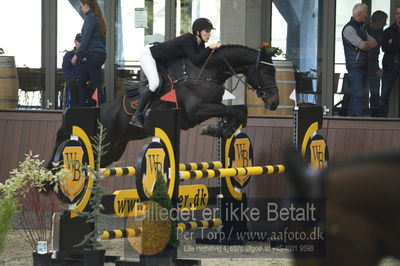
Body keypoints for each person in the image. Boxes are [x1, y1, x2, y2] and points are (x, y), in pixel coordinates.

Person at [129, 18, 222, 128]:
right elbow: (195, 59)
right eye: (207, 31)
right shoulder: (188, 40)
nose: (209, 34)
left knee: (169, 83)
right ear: (197, 32)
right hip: (149, 55)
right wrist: (210, 48)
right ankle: (137, 115)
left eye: (210, 31)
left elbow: (201, 62)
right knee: (154, 83)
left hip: (161, 61)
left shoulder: (200, 44)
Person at [342, 3, 377, 117]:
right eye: (366, 13)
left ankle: (351, 118)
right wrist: (364, 44)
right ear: (360, 14)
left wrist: (363, 44)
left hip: (362, 66)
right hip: (355, 67)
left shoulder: (361, 27)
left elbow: (374, 42)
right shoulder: (349, 28)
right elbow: (363, 46)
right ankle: (359, 120)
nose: (367, 15)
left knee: (355, 95)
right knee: (358, 95)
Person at [71, 0, 106, 106]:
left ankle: (102, 110)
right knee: (82, 81)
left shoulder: (90, 18)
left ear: (87, 5)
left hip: (93, 55)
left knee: (96, 84)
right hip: (98, 55)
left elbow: (86, 39)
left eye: (81, 6)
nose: (81, 8)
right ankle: (84, 107)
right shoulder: (97, 18)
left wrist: (76, 55)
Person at [365, 11, 388, 117]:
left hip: (375, 64)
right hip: (364, 64)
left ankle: (375, 117)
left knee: (375, 93)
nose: (385, 24)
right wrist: (376, 69)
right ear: (378, 21)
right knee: (358, 91)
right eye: (384, 21)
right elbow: (367, 52)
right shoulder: (364, 30)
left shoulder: (381, 32)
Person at [379, 6, 400, 117]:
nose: (399, 15)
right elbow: (385, 48)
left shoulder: (390, 34)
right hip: (390, 66)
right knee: (384, 95)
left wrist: (394, 42)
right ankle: (382, 120)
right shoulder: (388, 31)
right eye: (397, 13)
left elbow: (391, 45)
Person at [62, 33, 84, 107]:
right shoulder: (68, 55)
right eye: (79, 41)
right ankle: (75, 109)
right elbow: (66, 71)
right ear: (75, 42)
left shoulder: (88, 54)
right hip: (73, 80)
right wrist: (76, 77)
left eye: (82, 42)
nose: (81, 44)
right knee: (71, 84)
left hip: (84, 79)